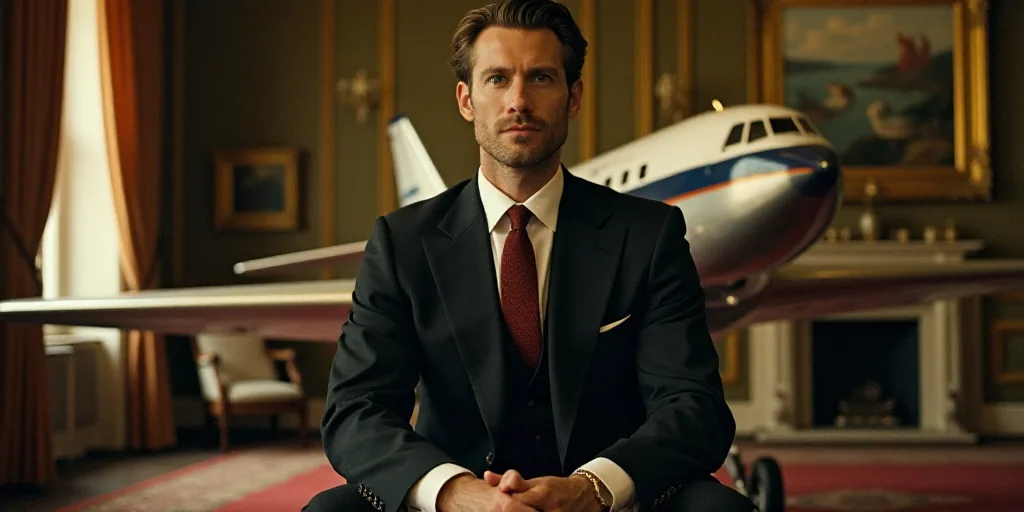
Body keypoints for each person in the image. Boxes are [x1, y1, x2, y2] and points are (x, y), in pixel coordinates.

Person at [304, 1, 752, 510]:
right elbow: (355, 411)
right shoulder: (401, 242)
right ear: (466, 100)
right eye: (497, 79)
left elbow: (695, 407)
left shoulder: (649, 235)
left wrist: (593, 488)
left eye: (540, 77)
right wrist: (454, 493)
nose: (518, 100)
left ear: (574, 96)